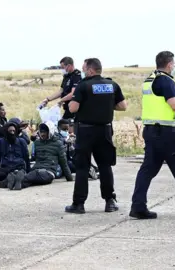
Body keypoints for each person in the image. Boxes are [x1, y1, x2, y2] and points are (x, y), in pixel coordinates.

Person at [65, 58, 127, 214]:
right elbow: (122, 106)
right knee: (105, 166)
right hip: (105, 131)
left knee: (82, 167)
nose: (83, 71)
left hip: (86, 131)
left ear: (91, 70)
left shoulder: (83, 85)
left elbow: (73, 108)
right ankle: (110, 201)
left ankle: (78, 204)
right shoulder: (111, 85)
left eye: (84, 68)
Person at [130, 51, 175, 219]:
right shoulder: (166, 81)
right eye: (173, 64)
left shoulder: (150, 80)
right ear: (169, 64)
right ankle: (138, 207)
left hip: (151, 131)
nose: (174, 67)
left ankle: (138, 207)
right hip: (167, 133)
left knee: (148, 169)